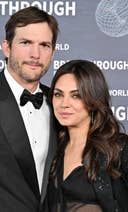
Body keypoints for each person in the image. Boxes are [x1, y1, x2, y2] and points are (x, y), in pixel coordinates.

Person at [0, 6, 59, 211]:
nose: (35, 54)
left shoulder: (58, 102)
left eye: (44, 45)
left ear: (53, 52)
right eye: (26, 43)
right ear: (7, 47)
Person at [47, 60, 128, 212]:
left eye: (76, 96)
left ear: (93, 100)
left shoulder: (118, 148)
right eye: (58, 94)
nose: (64, 104)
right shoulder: (53, 148)